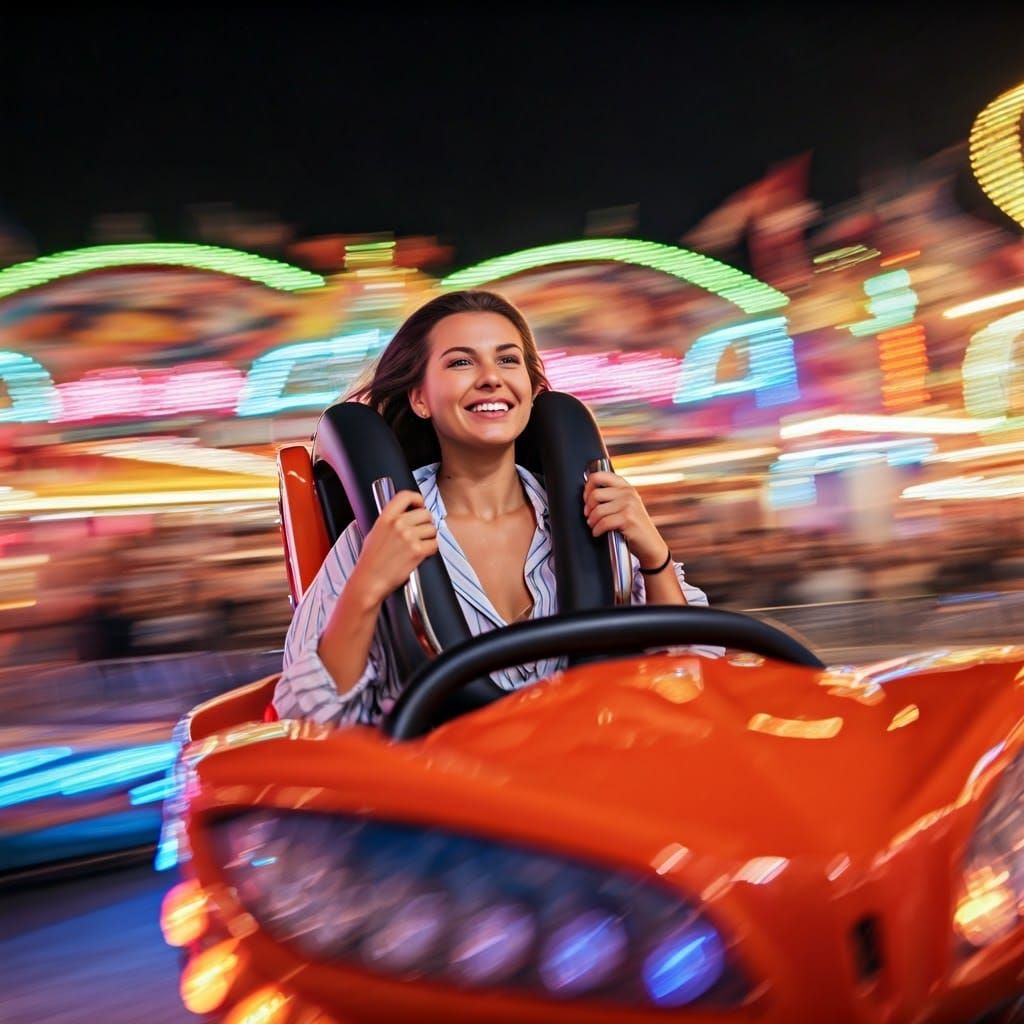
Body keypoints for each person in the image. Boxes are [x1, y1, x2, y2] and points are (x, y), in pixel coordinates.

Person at [273, 290, 708, 725]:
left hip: (590, 768)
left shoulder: (591, 514)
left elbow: (691, 670)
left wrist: (655, 557)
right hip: (445, 781)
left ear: (531, 389)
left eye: (507, 360)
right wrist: (367, 585)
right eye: (462, 362)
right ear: (420, 399)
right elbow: (309, 715)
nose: (491, 378)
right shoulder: (383, 530)